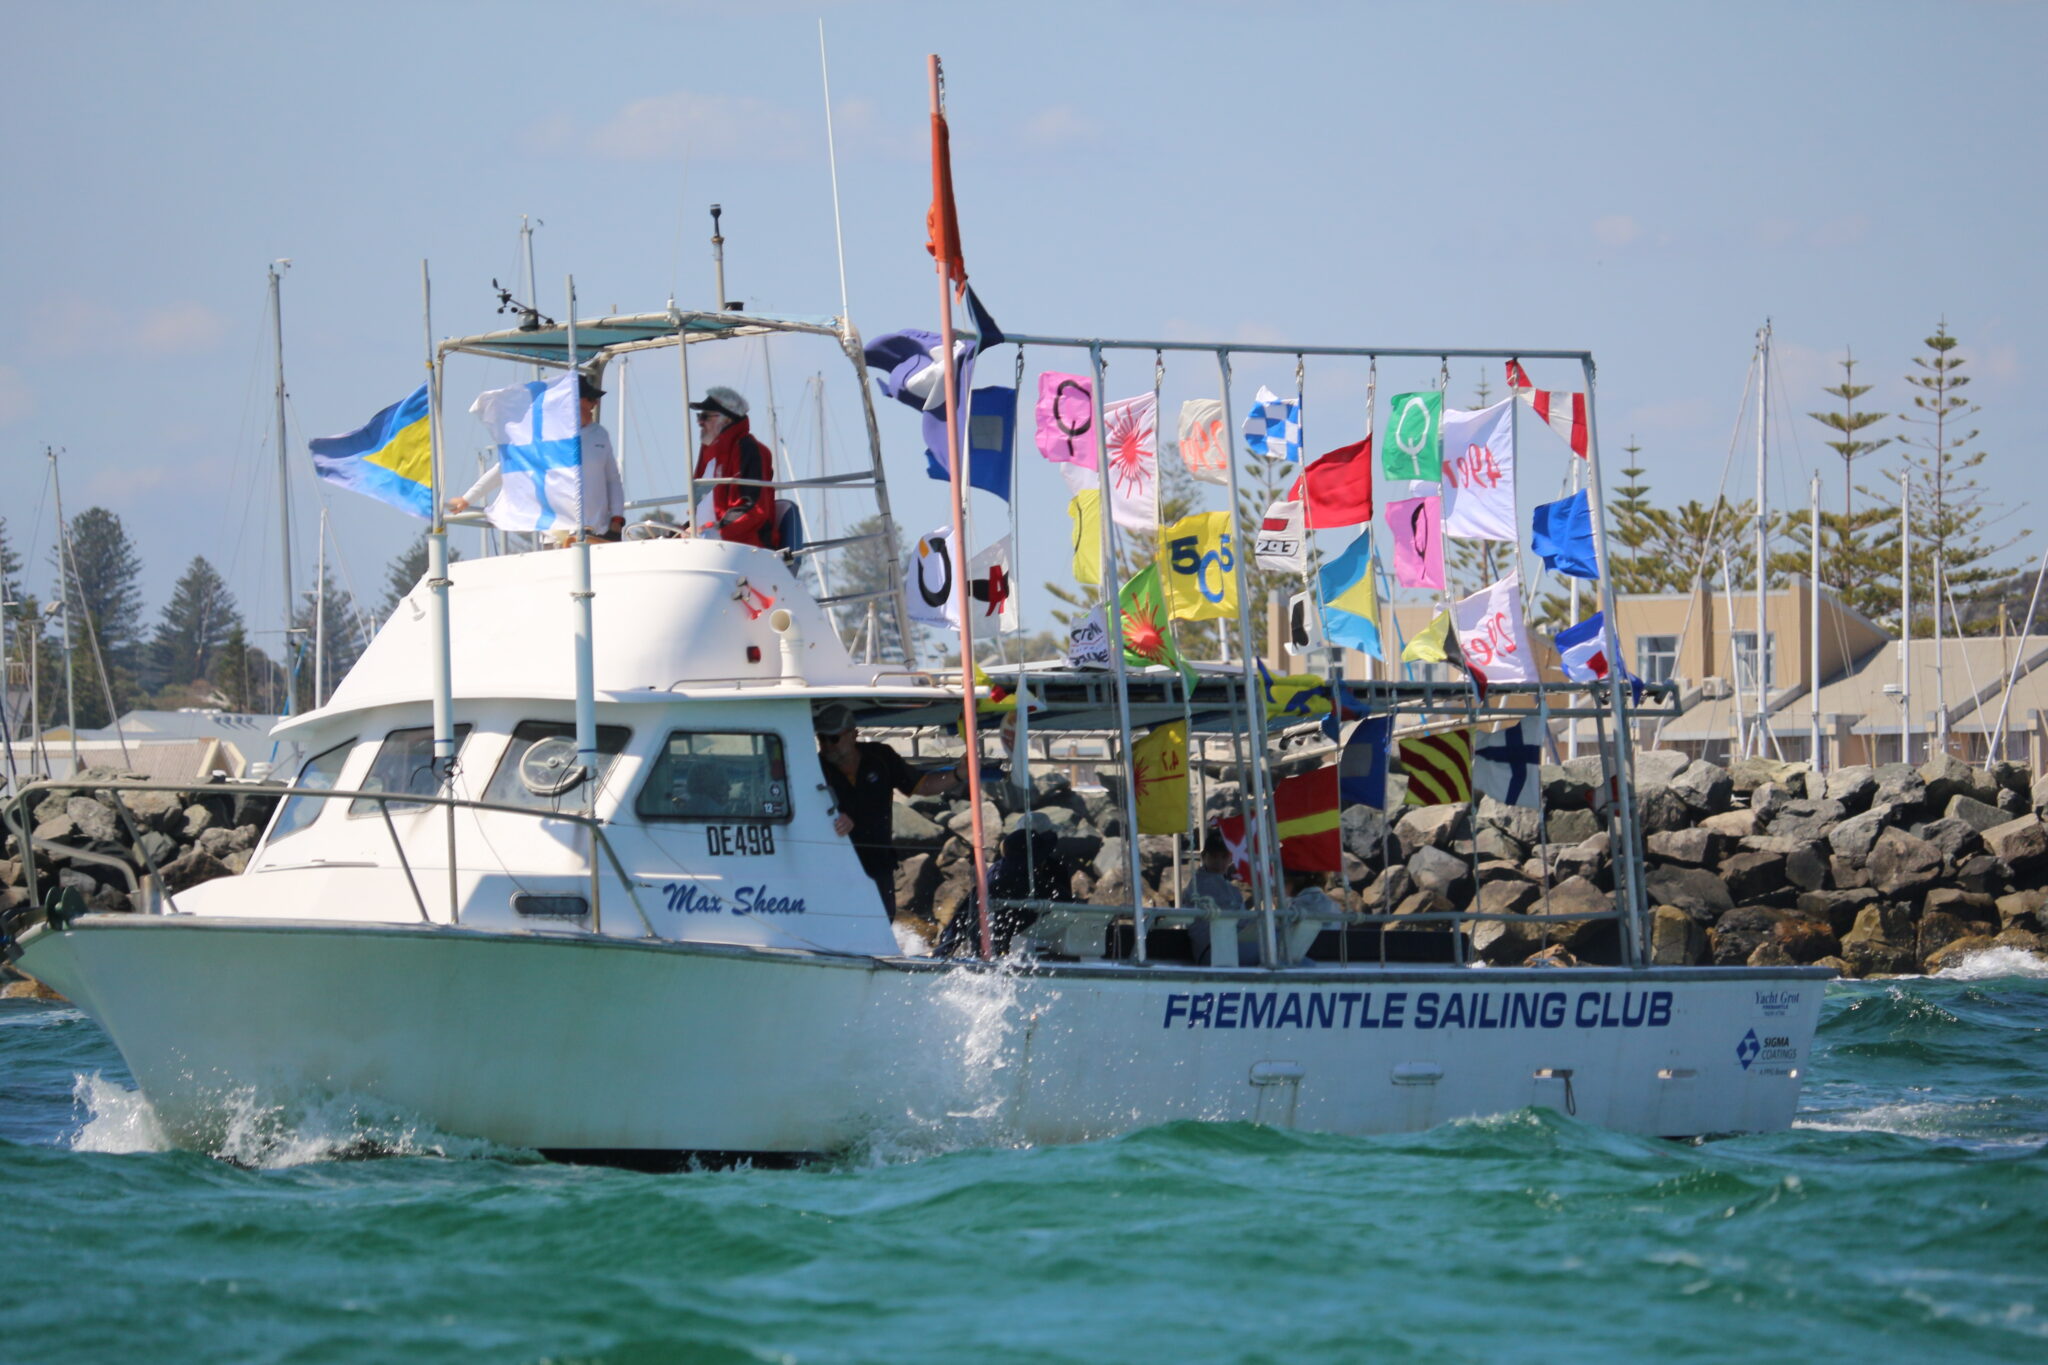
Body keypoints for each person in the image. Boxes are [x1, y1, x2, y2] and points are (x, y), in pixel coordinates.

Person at [816, 702, 964, 920]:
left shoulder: (881, 757)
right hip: (836, 865)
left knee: (882, 921)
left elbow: (923, 786)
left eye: (834, 738)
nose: (828, 745)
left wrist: (959, 775)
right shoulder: (815, 767)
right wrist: (828, 821)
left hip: (878, 862)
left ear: (853, 735)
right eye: (822, 739)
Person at [450, 374, 625, 542]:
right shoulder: (546, 437)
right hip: (558, 535)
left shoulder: (600, 434)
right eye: (589, 398)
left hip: (598, 532)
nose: (595, 403)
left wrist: (617, 519)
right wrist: (468, 499)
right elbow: (505, 468)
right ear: (570, 403)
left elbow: (613, 480)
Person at [937, 810, 1076, 957]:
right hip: (1031, 939)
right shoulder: (1006, 873)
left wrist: (945, 947)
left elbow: (964, 915)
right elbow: (1068, 905)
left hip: (1025, 939)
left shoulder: (1001, 871)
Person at [689, 385, 775, 549]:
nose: (700, 421)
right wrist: (683, 530)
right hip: (705, 545)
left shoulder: (750, 450)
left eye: (706, 416)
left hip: (743, 548)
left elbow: (752, 507)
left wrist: (715, 530)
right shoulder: (708, 456)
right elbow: (700, 508)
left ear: (727, 419)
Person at [1187, 836, 1253, 966]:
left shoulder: (1227, 887)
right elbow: (1235, 918)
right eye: (1214, 856)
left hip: (1229, 944)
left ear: (1230, 858)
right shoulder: (1201, 885)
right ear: (1204, 856)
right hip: (1213, 949)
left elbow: (1237, 916)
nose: (1219, 862)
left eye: (1224, 857)